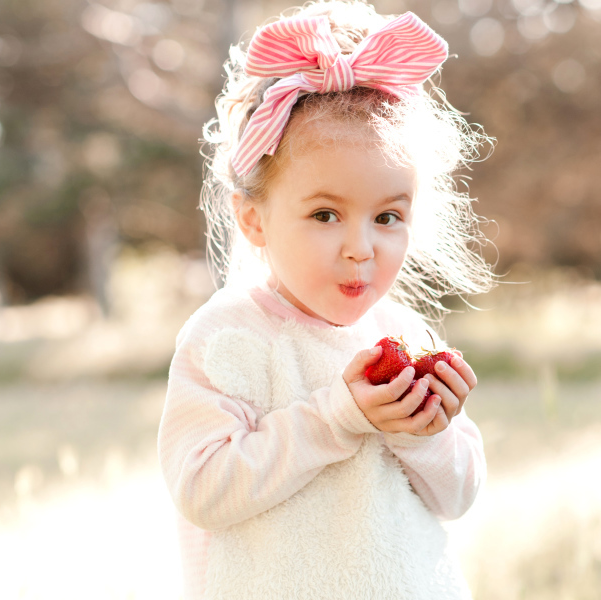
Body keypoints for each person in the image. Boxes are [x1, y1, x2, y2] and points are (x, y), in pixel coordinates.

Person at [156, 1, 496, 598]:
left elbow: (459, 494)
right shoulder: (229, 336)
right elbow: (202, 489)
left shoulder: (407, 335)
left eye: (387, 216)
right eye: (325, 214)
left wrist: (426, 431)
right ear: (253, 217)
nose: (360, 248)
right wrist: (337, 418)